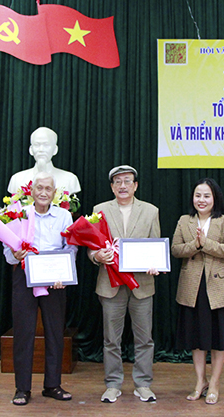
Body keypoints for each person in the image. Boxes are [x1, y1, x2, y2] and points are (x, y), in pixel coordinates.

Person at [3, 171, 77, 406]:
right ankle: (22, 388)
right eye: (39, 188)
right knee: (23, 333)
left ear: (55, 194)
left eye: (48, 189)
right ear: (31, 191)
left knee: (55, 332)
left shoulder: (65, 215)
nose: (44, 192)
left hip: (55, 280)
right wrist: (15, 255)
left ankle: (52, 385)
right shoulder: (19, 214)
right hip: (24, 277)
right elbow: (8, 252)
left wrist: (63, 275)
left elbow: (71, 248)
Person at [88, 165, 160, 403]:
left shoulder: (150, 211)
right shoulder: (99, 210)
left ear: (135, 185)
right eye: (117, 182)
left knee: (144, 339)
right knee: (111, 339)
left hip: (142, 285)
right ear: (112, 186)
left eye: (127, 181)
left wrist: (155, 263)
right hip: (110, 285)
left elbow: (155, 245)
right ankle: (112, 384)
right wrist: (97, 256)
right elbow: (92, 246)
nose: (122, 186)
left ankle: (143, 384)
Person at [171, 178, 224, 405]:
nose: (201, 200)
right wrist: (195, 244)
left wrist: (206, 244)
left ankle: (214, 384)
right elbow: (175, 249)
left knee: (219, 339)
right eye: (197, 195)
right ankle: (200, 381)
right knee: (196, 338)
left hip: (218, 288)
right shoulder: (184, 221)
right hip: (192, 288)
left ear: (215, 198)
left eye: (206, 196)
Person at [7, 127, 81, 194]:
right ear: (31, 150)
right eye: (37, 145)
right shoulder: (17, 179)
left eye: (46, 145)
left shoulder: (70, 179)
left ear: (55, 149)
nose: (41, 149)